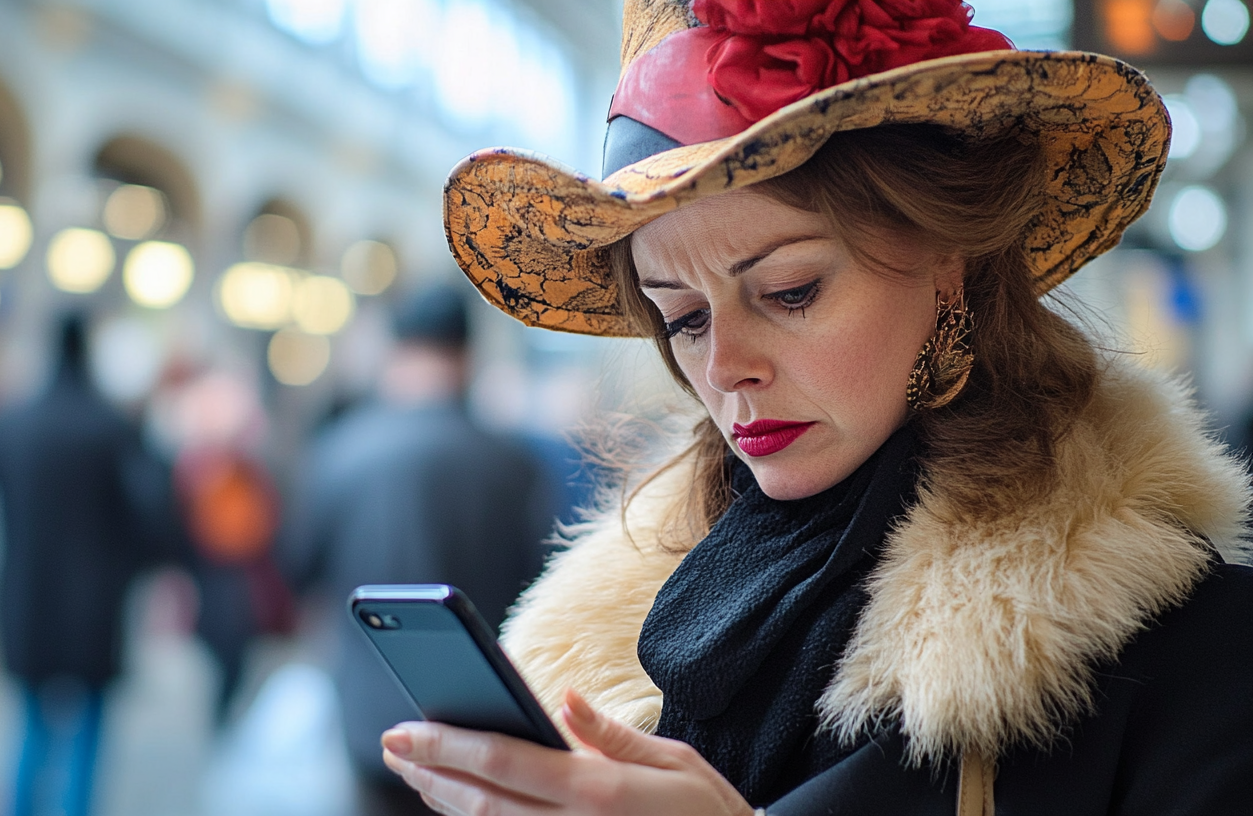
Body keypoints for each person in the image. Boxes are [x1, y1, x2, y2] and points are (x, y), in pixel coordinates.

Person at [378, 1, 1253, 813]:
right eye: (682, 317)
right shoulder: (624, 643)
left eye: (789, 291)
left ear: (950, 258)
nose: (725, 367)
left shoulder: (1193, 650)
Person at [289, 284, 556, 815]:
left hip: (370, 723)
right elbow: (544, 585)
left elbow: (297, 568)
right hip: (483, 729)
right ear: (467, 355)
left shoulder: (339, 450)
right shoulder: (515, 463)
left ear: (396, 351)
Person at [0, 315, 171, 816]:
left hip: (26, 600)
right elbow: (154, 517)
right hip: (95, 606)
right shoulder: (111, 428)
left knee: (28, 726)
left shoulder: (13, 425)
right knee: (86, 734)